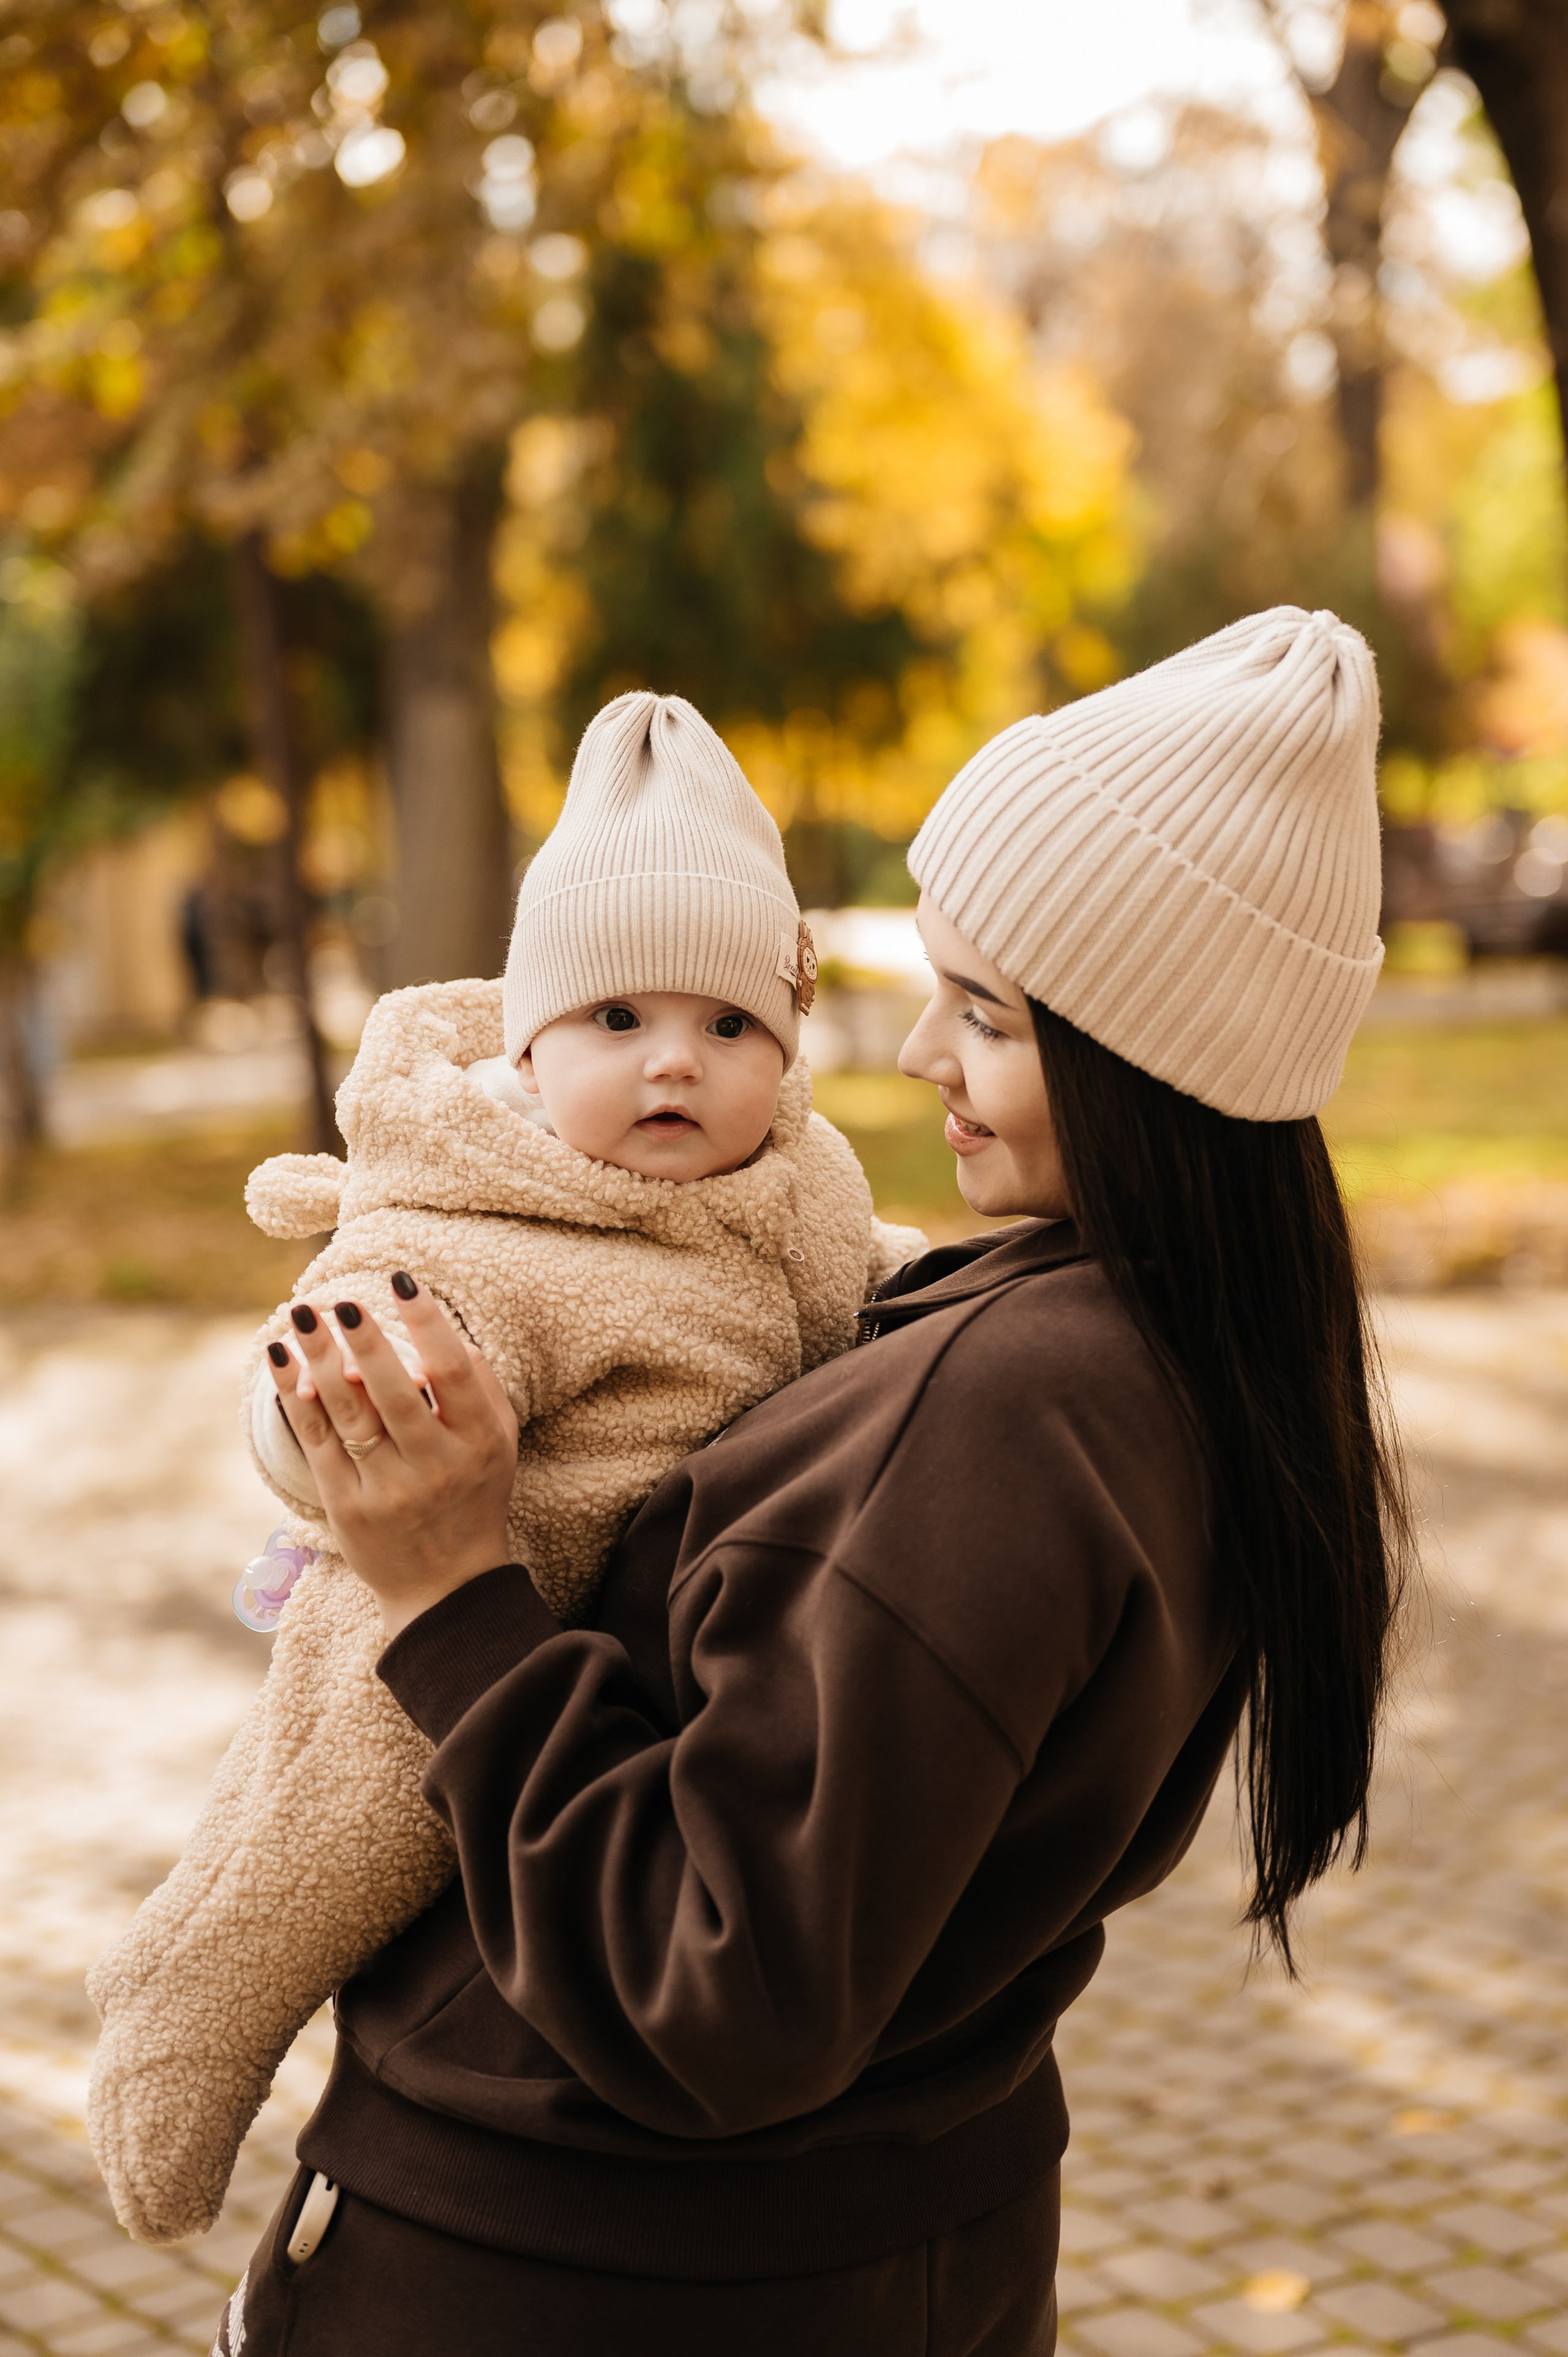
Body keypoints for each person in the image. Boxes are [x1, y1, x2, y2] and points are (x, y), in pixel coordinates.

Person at [212, 608, 1408, 2357]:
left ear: (1158, 1061)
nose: (923, 1052)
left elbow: (725, 1988)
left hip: (593, 2279)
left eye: (986, 1012)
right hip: (856, 2249)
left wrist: (452, 1584)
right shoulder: (1171, 1348)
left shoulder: (1013, 1419)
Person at [88, 692, 922, 2250]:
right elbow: (357, 1341)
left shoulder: (794, 1174)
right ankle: (183, 2000)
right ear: (530, 1045)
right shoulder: (482, 1219)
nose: (675, 1064)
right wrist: (336, 1405)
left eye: (728, 1025)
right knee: (328, 1842)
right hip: (444, 1587)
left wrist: (937, 1284)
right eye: (619, 1021)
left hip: (640, 1628)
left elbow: (864, 1273)